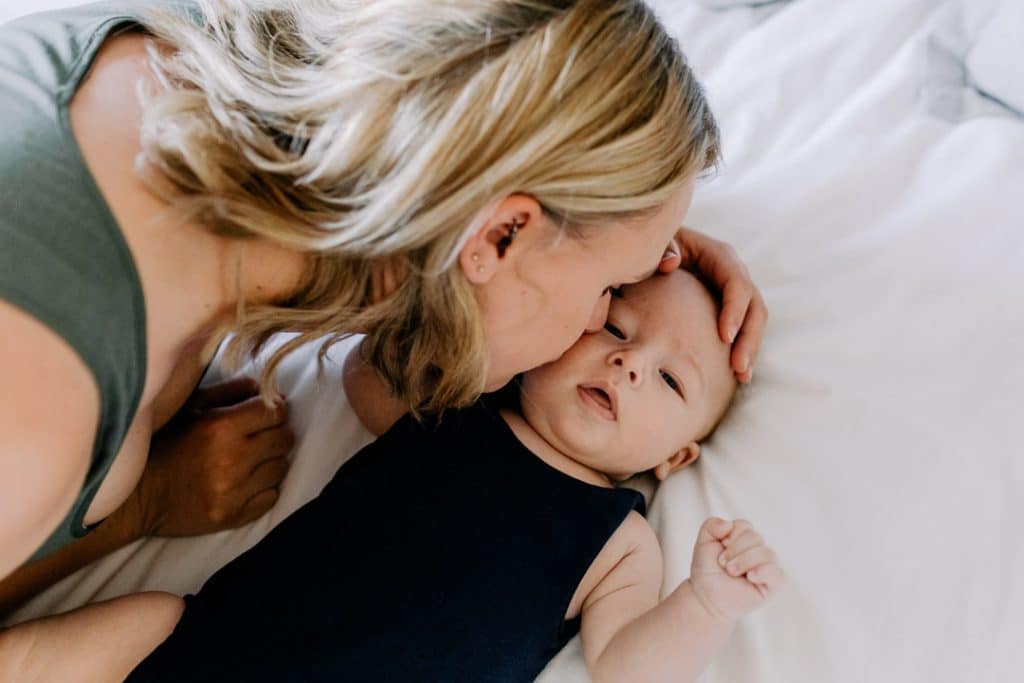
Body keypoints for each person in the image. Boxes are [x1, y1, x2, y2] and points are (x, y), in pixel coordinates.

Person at [0, 0, 766, 639]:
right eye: (611, 291)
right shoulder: (37, 411)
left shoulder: (192, 54)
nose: (606, 321)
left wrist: (651, 259)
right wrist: (145, 504)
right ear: (499, 236)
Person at [0, 268, 783, 682]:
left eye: (671, 381)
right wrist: (465, 332)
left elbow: (628, 669)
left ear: (676, 457)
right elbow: (366, 376)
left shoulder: (617, 540)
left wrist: (706, 602)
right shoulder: (461, 405)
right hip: (206, 641)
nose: (628, 363)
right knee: (114, 629)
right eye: (614, 326)